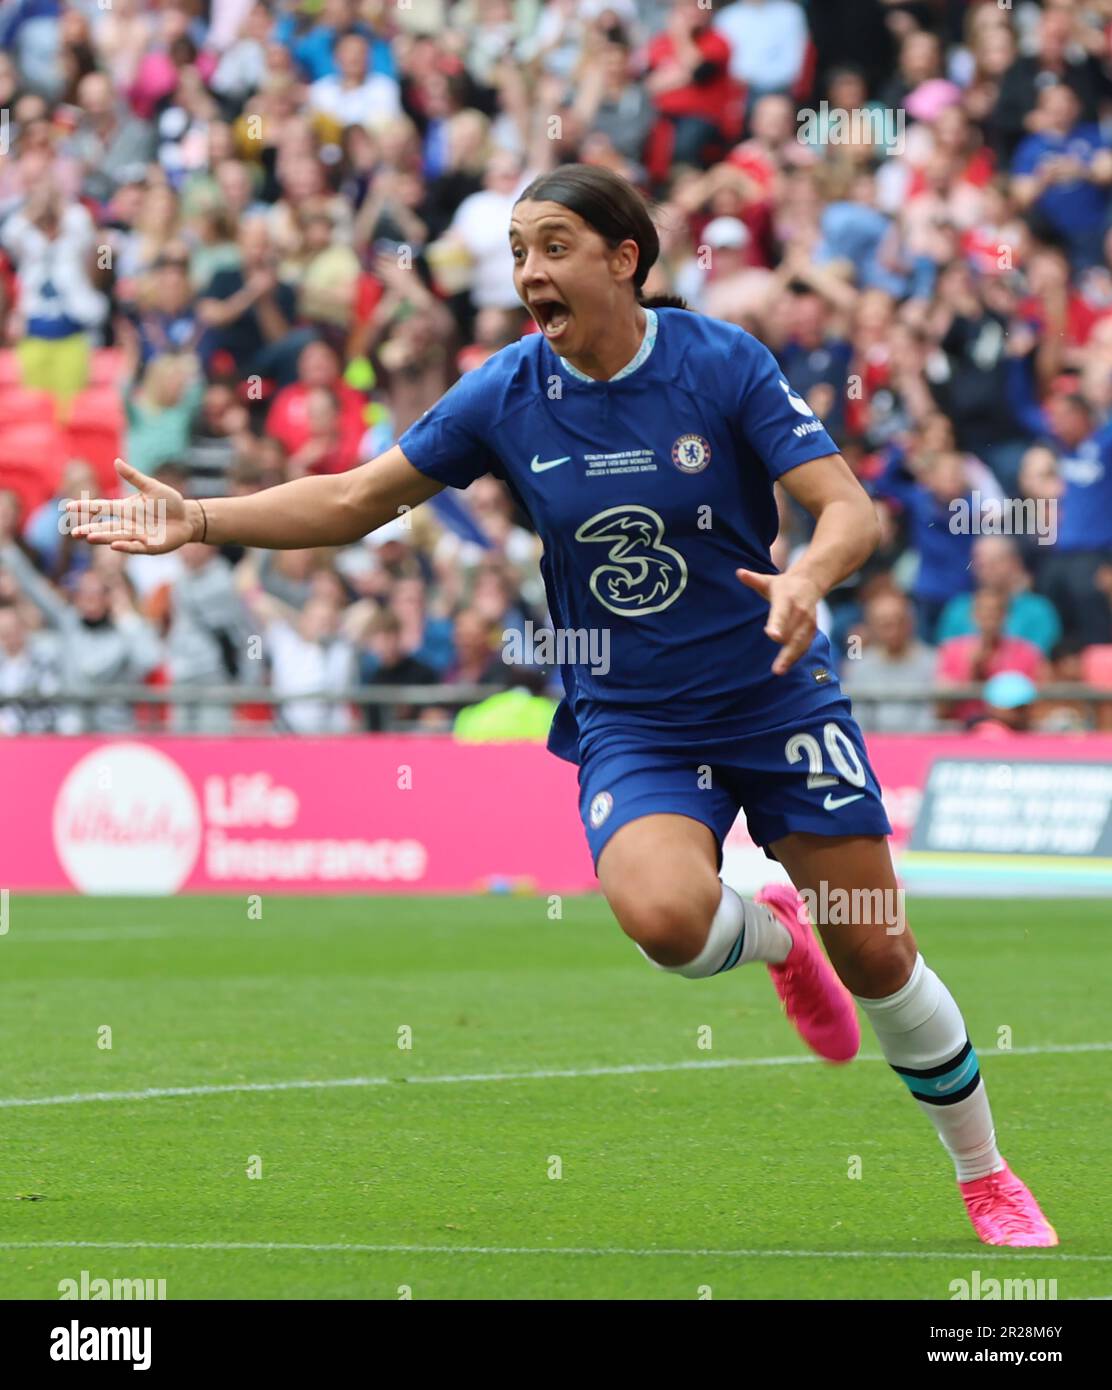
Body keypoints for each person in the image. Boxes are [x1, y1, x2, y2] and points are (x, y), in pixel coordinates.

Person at [67, 163, 1056, 1249]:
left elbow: (845, 508)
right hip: (632, 716)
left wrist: (809, 580)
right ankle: (774, 939)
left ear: (622, 258)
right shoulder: (503, 391)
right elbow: (356, 499)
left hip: (772, 692)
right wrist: (203, 519)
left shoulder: (718, 362)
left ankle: (984, 1173)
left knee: (874, 947)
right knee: (665, 922)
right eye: (516, 253)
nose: (527, 274)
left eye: (550, 247)